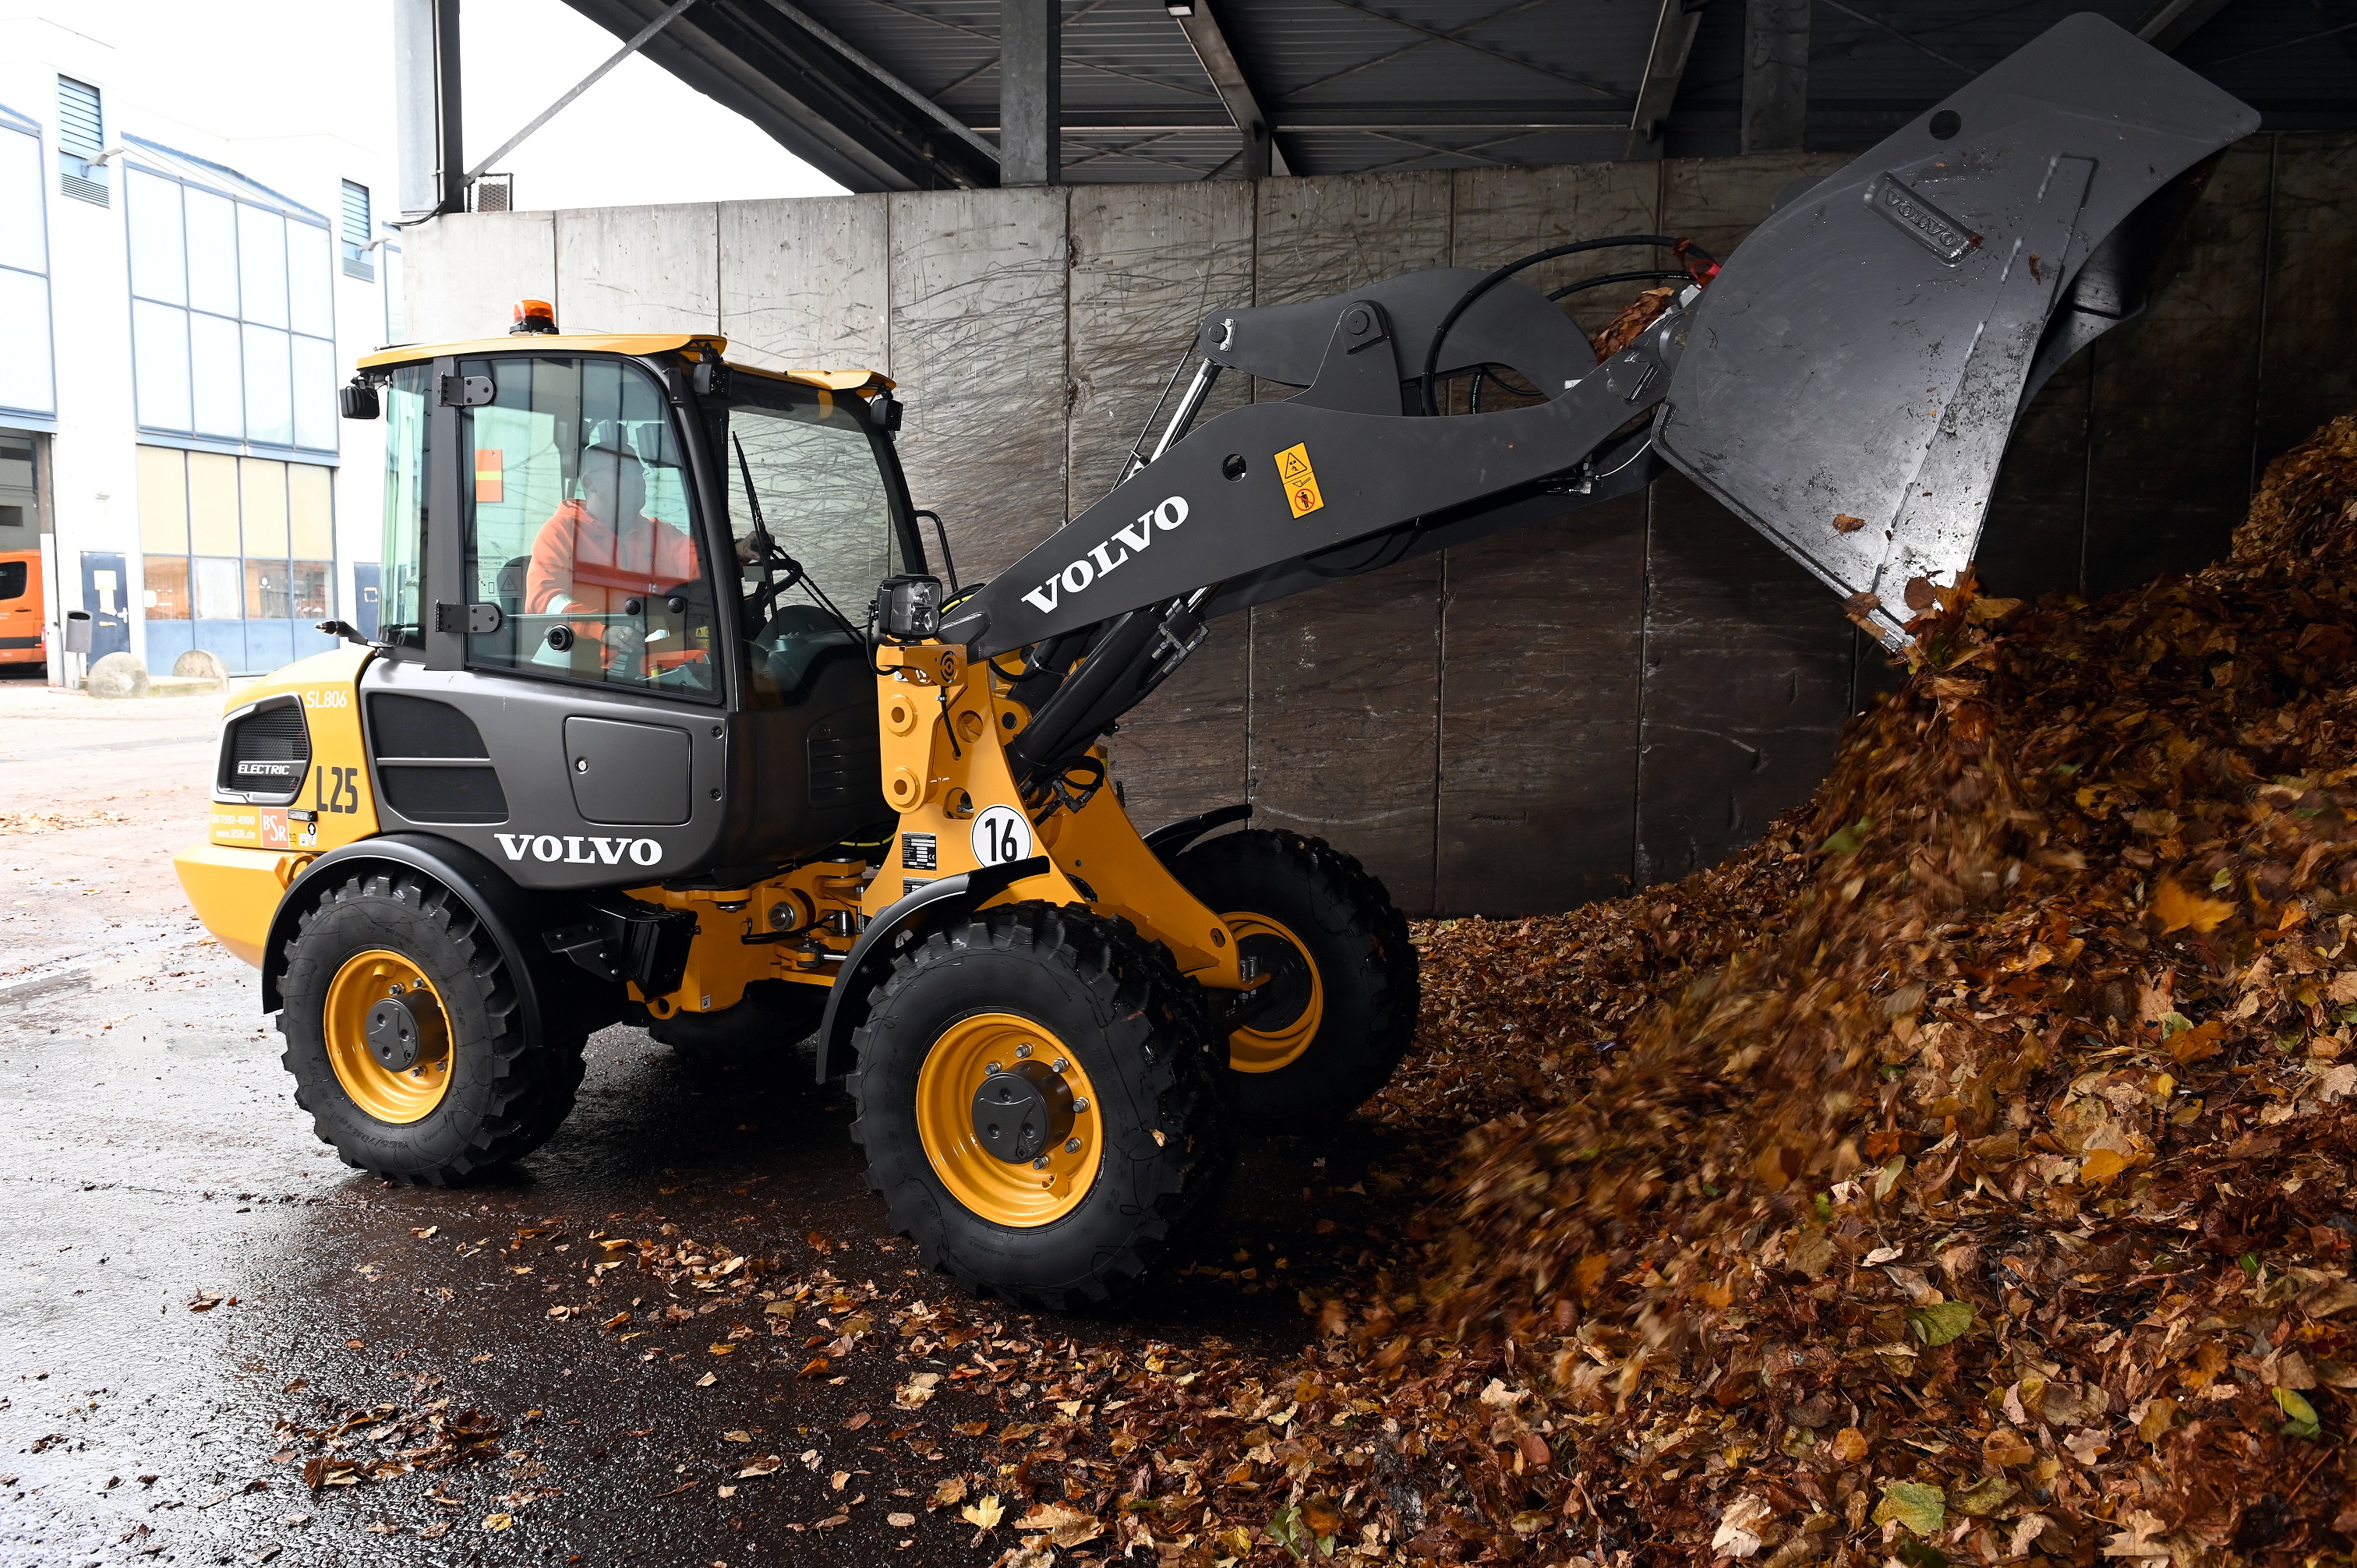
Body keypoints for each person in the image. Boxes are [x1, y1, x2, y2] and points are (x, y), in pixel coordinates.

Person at [526, 444, 701, 678]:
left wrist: (739, 551)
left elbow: (702, 560)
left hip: (659, 666)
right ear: (590, 484)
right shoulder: (561, 532)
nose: (638, 479)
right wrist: (603, 629)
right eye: (622, 470)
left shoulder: (659, 534)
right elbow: (545, 599)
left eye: (639, 471)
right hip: (593, 674)